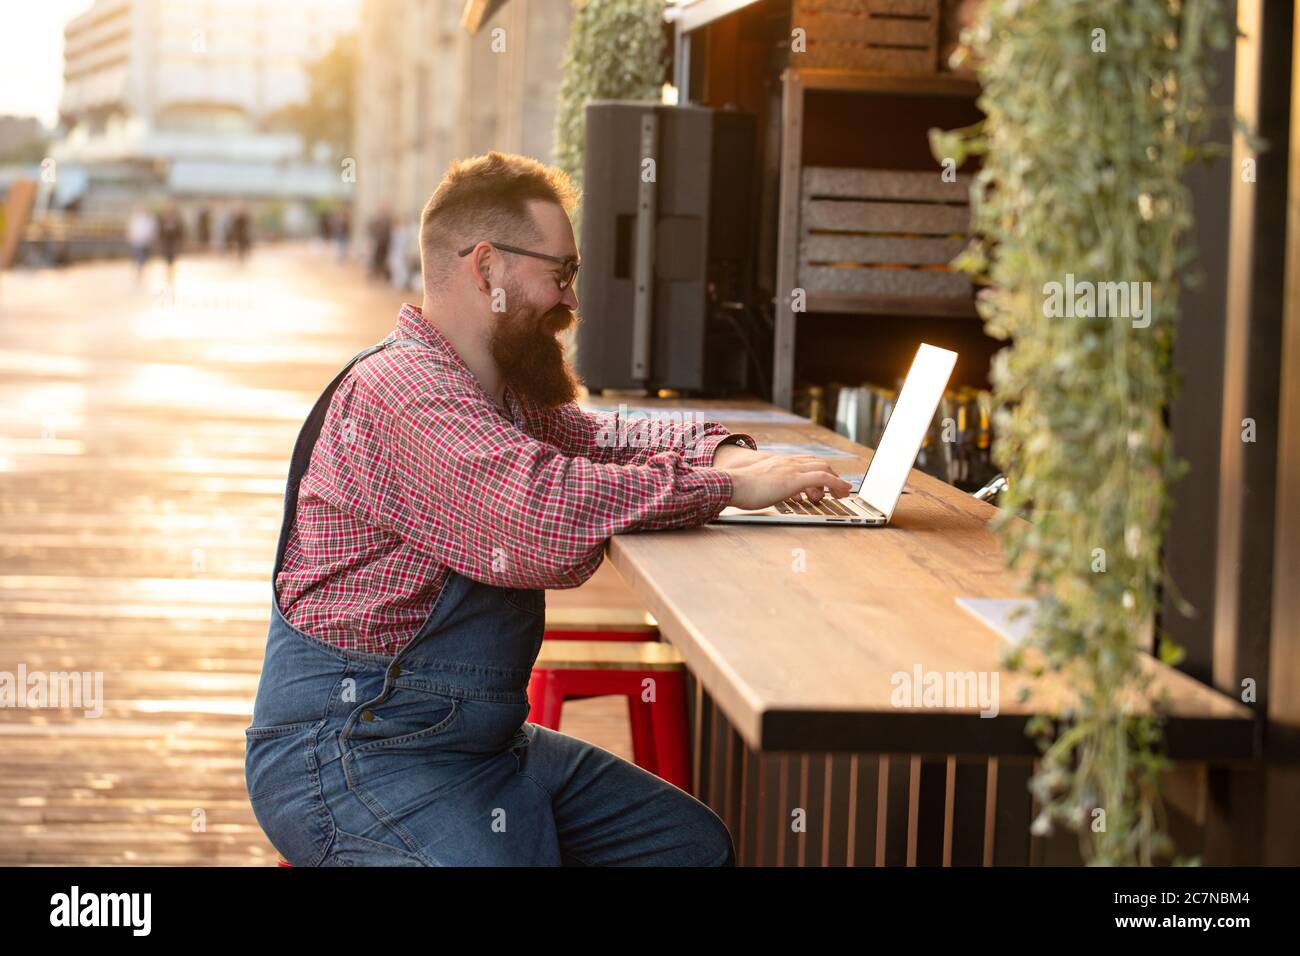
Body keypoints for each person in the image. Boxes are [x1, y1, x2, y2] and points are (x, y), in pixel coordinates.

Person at [244, 150, 850, 867]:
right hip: (352, 749)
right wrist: (722, 489)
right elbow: (536, 517)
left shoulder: (496, 391)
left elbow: (603, 438)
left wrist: (720, 452)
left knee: (689, 848)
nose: (571, 301)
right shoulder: (405, 390)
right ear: (487, 268)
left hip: (476, 746)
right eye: (559, 275)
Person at [156, 202, 184, 285]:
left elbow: (181, 231)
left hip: (174, 243)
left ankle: (171, 272)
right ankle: (168, 272)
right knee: (166, 258)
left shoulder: (177, 219)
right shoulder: (161, 219)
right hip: (165, 243)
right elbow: (159, 231)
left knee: (173, 258)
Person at [126, 207, 156, 284]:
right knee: (139, 257)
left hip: (146, 242)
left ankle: (141, 269)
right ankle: (139, 271)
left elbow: (152, 229)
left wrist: (150, 238)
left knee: (144, 258)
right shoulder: (135, 219)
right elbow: (131, 229)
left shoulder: (149, 219)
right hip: (137, 241)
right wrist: (131, 238)